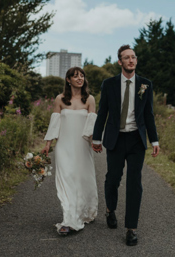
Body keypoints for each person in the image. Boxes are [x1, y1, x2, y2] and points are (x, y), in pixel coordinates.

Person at [92, 44, 160, 246]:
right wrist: (97, 138)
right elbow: (103, 112)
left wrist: (154, 140)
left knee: (134, 183)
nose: (131, 60)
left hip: (136, 140)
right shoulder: (109, 84)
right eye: (126, 57)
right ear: (120, 61)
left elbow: (148, 115)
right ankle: (110, 209)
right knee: (113, 178)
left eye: (133, 57)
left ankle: (131, 228)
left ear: (136, 60)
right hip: (115, 138)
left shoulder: (145, 84)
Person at [41, 67, 98, 236]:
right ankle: (69, 220)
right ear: (68, 80)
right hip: (63, 146)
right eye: (75, 76)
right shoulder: (60, 99)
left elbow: (92, 125)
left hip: (82, 146)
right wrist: (47, 144)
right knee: (66, 182)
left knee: (82, 180)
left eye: (81, 76)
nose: (79, 78)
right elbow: (55, 123)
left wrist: (95, 142)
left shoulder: (89, 99)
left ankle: (86, 211)